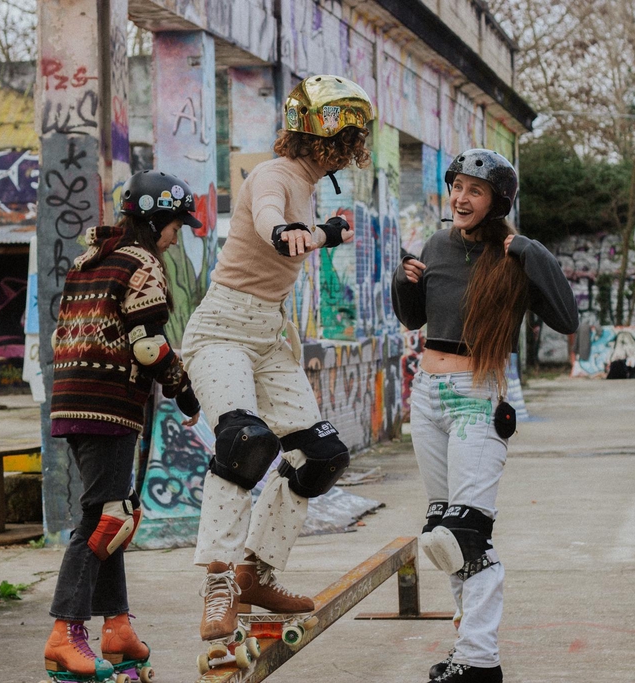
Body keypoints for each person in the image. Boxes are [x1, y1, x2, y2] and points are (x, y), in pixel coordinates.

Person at [182, 75, 373, 656]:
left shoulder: (308, 184)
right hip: (222, 330)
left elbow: (300, 231)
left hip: (269, 337)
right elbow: (268, 211)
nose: (351, 151)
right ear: (329, 142)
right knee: (246, 442)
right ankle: (219, 581)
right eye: (348, 142)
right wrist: (291, 230)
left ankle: (255, 573)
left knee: (321, 456)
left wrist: (320, 231)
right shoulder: (275, 175)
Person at [392, 149, 578, 682]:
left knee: (466, 532)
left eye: (475, 190)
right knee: (441, 529)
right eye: (457, 187)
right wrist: (404, 283)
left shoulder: (514, 254)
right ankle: (468, 647)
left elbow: (567, 317)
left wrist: (530, 250)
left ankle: (480, 659)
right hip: (427, 393)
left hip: (476, 393)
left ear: (497, 202)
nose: (461, 198)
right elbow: (415, 318)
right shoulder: (436, 245)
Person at [43, 170, 202, 681]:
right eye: (175, 225)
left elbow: (60, 336)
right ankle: (64, 633)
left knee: (116, 510)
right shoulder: (142, 263)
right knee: (105, 518)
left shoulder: (88, 260)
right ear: (156, 221)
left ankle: (116, 628)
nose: (176, 236)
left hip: (72, 400)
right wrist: (185, 391)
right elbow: (149, 346)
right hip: (109, 404)